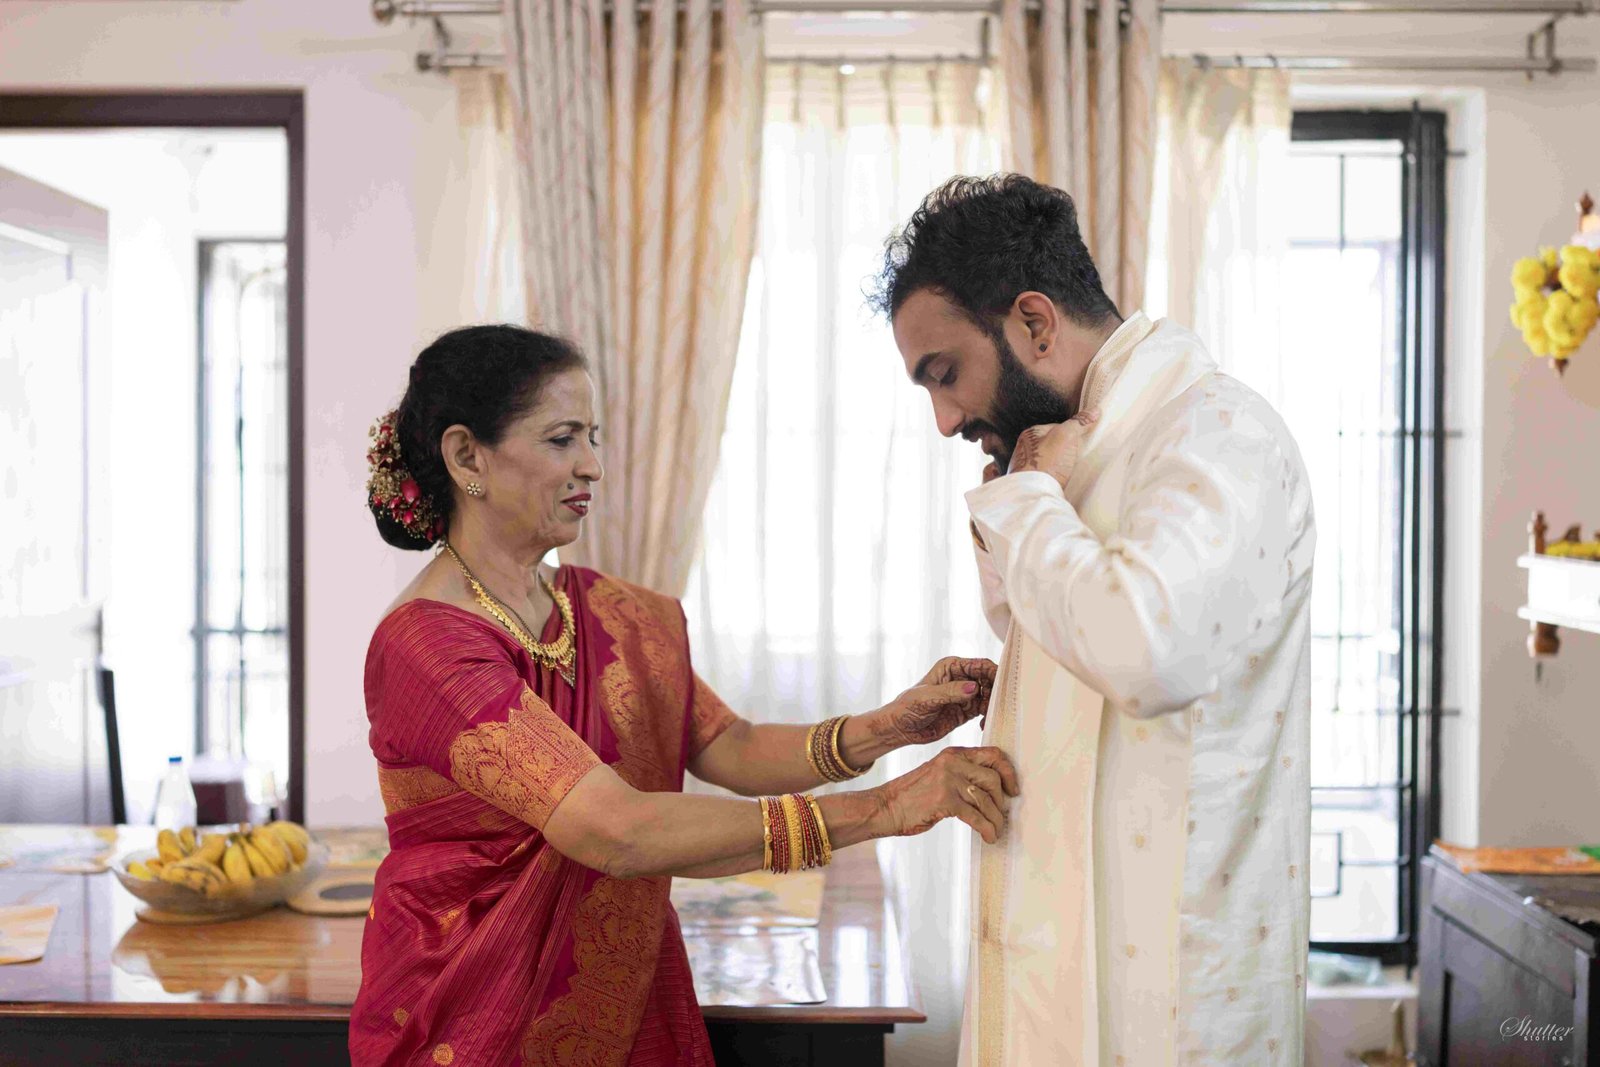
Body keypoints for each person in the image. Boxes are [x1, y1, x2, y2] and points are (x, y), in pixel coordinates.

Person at [349, 324, 1019, 1067]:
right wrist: (885, 808)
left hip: (623, 997)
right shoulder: (427, 647)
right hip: (474, 1018)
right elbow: (615, 830)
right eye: (562, 439)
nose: (593, 465)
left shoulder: (612, 613)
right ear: (467, 456)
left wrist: (888, 726)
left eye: (592, 437)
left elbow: (727, 745)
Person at [875, 174, 1315, 1065]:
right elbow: (1046, 632)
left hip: (1168, 1005)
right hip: (1061, 963)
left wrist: (1031, 501)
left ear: (1035, 323)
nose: (946, 419)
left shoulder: (1218, 432)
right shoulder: (1082, 440)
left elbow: (1145, 650)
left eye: (945, 374)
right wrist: (1025, 496)